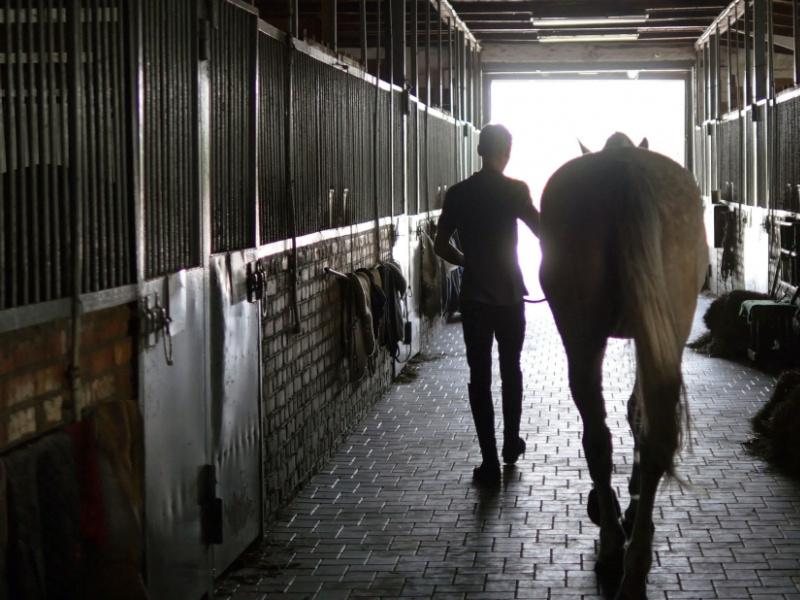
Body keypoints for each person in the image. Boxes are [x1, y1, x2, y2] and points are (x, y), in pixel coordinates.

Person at [434, 123, 540, 486]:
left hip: (476, 297)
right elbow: (543, 232)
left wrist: (467, 261)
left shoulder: (459, 194)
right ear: (507, 151)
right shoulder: (515, 191)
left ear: (479, 150)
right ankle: (511, 442)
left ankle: (490, 461)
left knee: (479, 378)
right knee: (511, 369)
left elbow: (440, 246)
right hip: (511, 294)